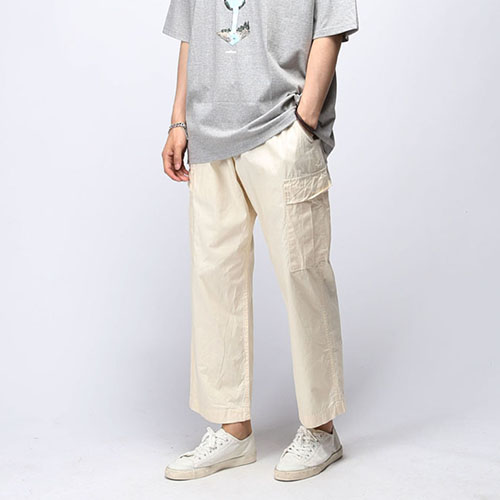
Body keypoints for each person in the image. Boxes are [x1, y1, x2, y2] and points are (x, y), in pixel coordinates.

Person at [160, 0, 358, 482]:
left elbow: (331, 25)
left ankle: (321, 428)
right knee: (215, 281)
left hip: (281, 128)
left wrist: (305, 121)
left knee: (302, 274)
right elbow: (190, 30)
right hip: (208, 134)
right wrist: (179, 120)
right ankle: (232, 428)